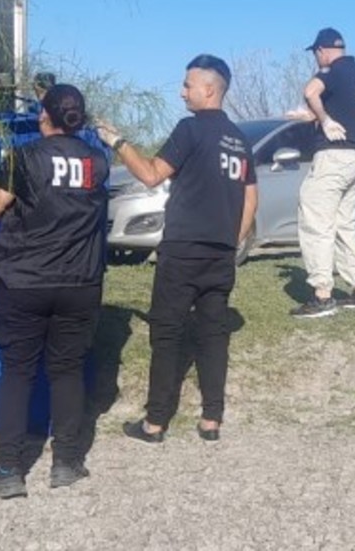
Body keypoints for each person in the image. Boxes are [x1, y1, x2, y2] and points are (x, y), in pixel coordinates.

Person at [96, 54, 258, 444]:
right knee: (213, 334)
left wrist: (117, 141)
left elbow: (152, 175)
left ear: (209, 89)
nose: (181, 91)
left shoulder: (190, 129)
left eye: (187, 85)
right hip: (221, 253)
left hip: (183, 250)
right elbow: (251, 197)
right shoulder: (239, 139)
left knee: (166, 334)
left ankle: (155, 422)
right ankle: (211, 420)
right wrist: (231, 241)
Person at [0, 83, 109, 498]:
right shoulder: (98, 162)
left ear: (44, 116)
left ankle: (9, 470)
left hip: (26, 282)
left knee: (18, 372)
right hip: (79, 283)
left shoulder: (23, 158)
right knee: (67, 371)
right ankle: (67, 462)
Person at [290, 27, 355, 318]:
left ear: (322, 51)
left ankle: (322, 296)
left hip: (333, 157)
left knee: (316, 221)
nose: (316, 57)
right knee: (345, 225)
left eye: (316, 53)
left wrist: (322, 119)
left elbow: (310, 91)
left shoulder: (332, 71)